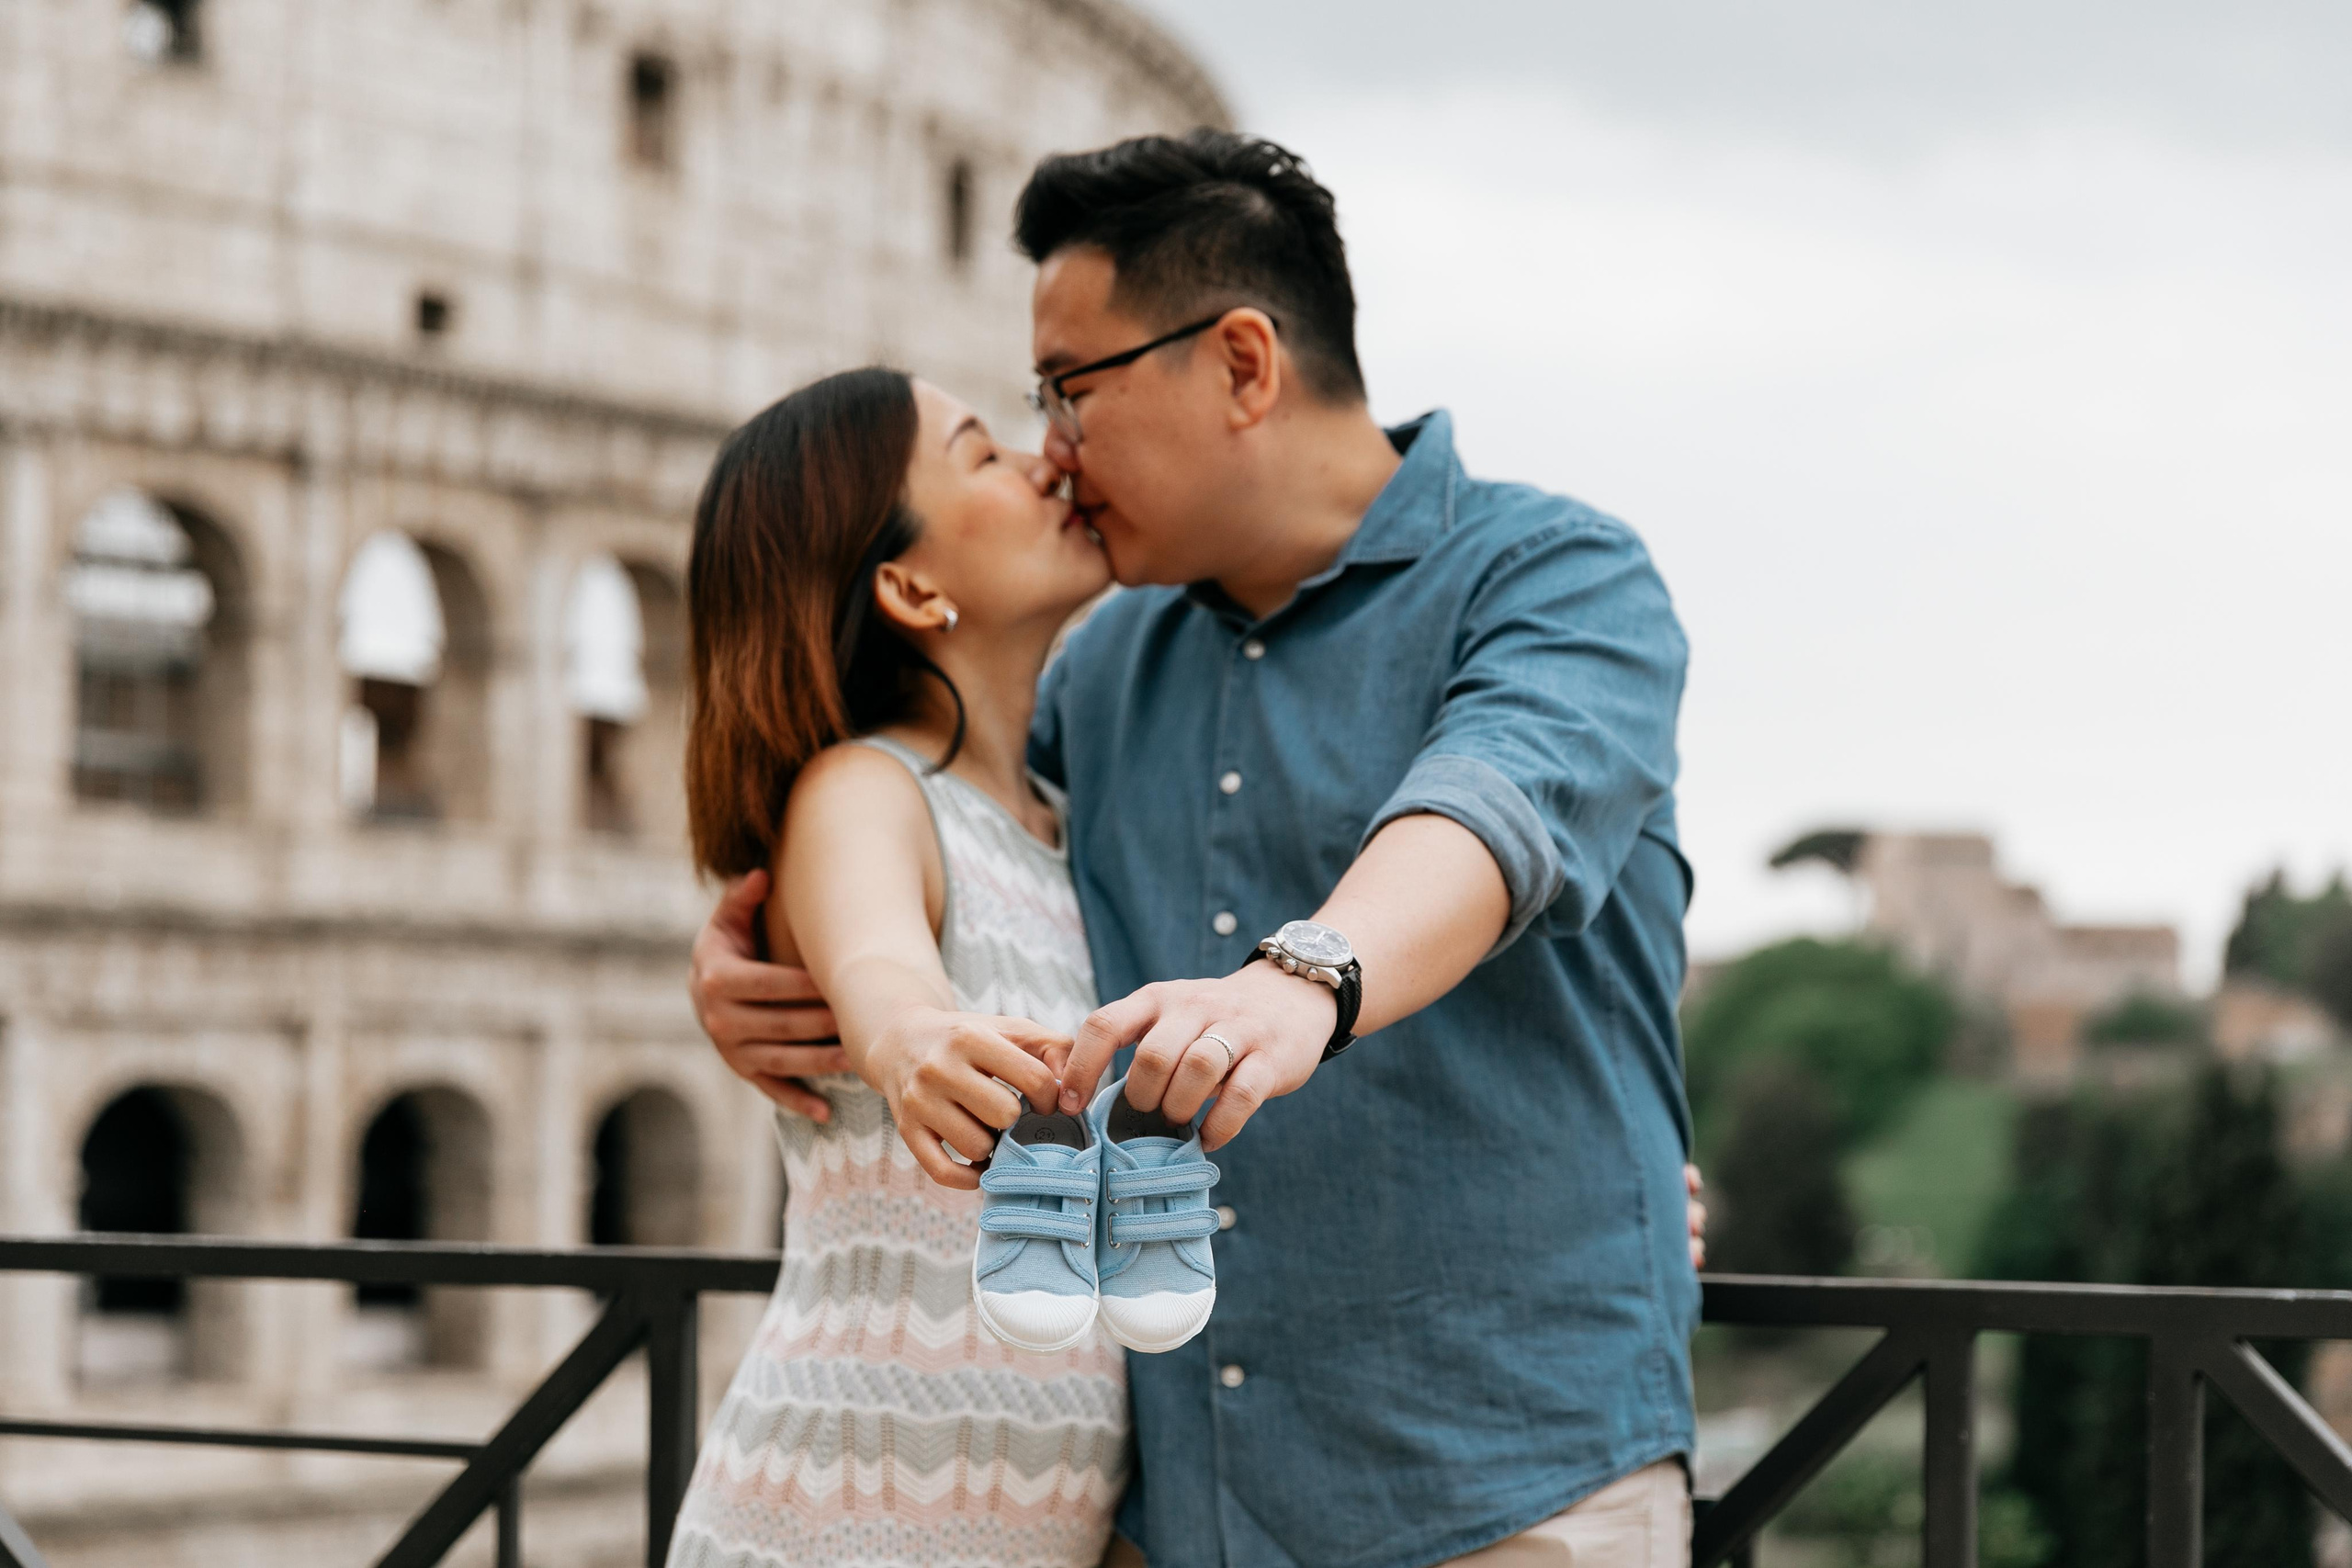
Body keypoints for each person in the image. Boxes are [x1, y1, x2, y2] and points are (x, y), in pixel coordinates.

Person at [693, 130, 1704, 1568]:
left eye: (1069, 390)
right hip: (1179, 1521)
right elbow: (940, 849)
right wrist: (755, 968)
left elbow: (1494, 810)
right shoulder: (1099, 677)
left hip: (1507, 1493)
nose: (1050, 445)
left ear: (1240, 362)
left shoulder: (1556, 576)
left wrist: (1295, 984)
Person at [663, 367, 1132, 1568]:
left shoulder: (1068, 827)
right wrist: (913, 1037)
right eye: (981, 454)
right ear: (911, 585)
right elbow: (879, 961)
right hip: (838, 1512)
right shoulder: (865, 789)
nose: (1042, 463)